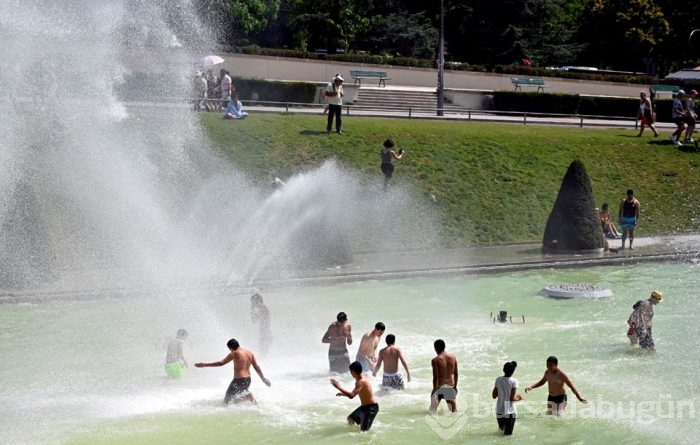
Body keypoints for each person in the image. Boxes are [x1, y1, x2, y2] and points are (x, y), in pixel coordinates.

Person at [195, 338, 271, 404]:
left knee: (227, 401)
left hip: (239, 380)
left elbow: (221, 363)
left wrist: (204, 364)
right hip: (248, 380)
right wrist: (264, 379)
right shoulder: (249, 353)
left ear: (230, 348)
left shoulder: (234, 353)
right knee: (233, 399)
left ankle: (248, 397)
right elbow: (256, 367)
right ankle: (247, 397)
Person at [330, 361, 379, 432]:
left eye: (351, 372)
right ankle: (356, 431)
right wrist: (343, 394)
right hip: (365, 407)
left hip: (371, 408)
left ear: (353, 372)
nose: (350, 373)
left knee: (364, 432)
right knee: (350, 419)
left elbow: (351, 396)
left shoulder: (361, 382)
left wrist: (339, 387)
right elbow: (357, 393)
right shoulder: (359, 380)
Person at [492, 361, 522, 436]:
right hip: (510, 412)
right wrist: (518, 398)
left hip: (499, 410)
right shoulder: (514, 381)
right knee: (508, 436)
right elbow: (512, 398)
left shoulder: (498, 379)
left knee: (501, 432)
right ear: (513, 371)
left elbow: (494, 396)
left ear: (503, 370)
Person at [429, 339, 458, 413]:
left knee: (432, 412)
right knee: (453, 412)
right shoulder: (453, 357)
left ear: (435, 348)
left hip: (439, 388)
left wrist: (434, 391)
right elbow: (456, 373)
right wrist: (455, 387)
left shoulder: (435, 360)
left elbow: (435, 378)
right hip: (450, 387)